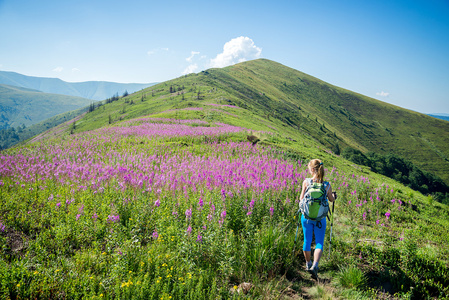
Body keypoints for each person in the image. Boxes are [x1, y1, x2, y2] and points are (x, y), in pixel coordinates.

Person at [299, 159, 336, 278]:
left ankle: (308, 263)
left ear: (312, 169)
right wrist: (334, 196)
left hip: (306, 217)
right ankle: (315, 266)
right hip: (320, 218)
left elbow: (301, 199)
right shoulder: (326, 185)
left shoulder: (306, 182)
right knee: (319, 242)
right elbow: (331, 199)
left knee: (307, 241)